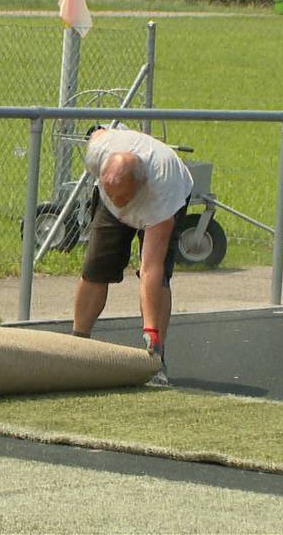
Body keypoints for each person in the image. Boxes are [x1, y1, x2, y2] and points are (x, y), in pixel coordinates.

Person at [71, 125, 193, 386]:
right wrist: (114, 198)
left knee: (157, 279)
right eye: (111, 195)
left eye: (122, 197)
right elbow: (98, 135)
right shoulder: (98, 153)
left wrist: (150, 329)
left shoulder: (164, 191)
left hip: (158, 199)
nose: (117, 202)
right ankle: (76, 345)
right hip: (118, 183)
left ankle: (155, 358)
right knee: (95, 267)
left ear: (139, 185)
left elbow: (150, 268)